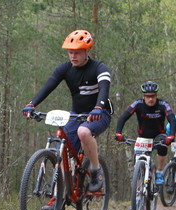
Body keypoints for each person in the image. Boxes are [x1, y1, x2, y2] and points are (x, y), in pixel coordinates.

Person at [22, 30, 112, 195]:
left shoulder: (99, 67)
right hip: (76, 115)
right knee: (61, 151)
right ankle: (58, 196)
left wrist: (99, 107)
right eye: (70, 52)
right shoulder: (64, 69)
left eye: (77, 52)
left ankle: (95, 170)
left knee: (83, 131)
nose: (73, 56)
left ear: (87, 51)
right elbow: (49, 86)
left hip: (100, 113)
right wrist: (32, 104)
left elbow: (104, 89)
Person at [114, 81, 176, 184]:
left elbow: (172, 120)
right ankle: (138, 186)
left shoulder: (164, 104)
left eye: (153, 96)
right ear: (143, 96)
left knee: (163, 146)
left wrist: (171, 135)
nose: (150, 99)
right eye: (148, 96)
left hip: (159, 136)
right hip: (143, 137)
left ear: (156, 96)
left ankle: (159, 172)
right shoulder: (137, 104)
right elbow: (123, 117)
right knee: (137, 161)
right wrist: (118, 133)